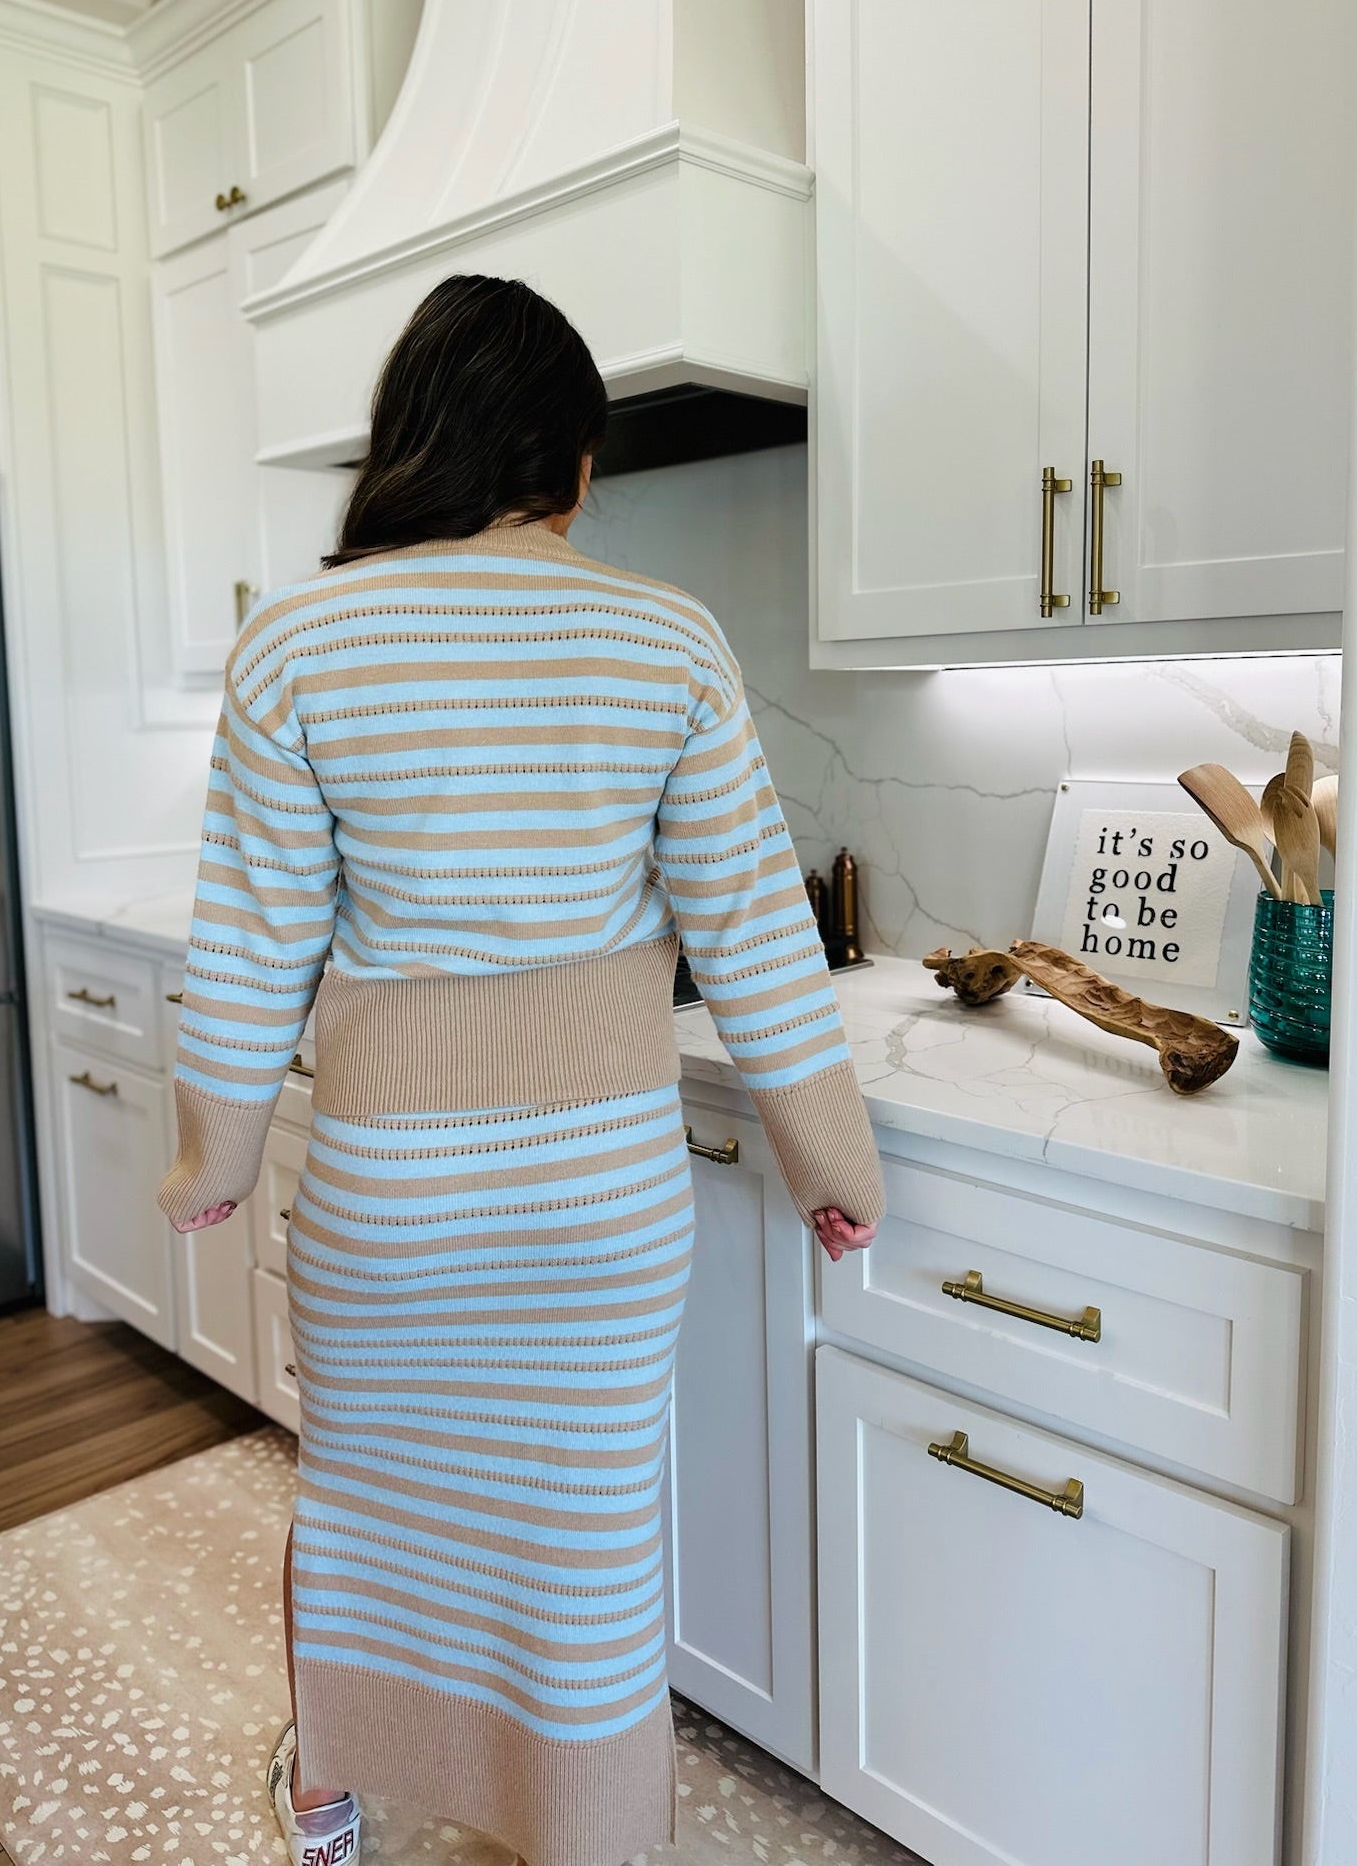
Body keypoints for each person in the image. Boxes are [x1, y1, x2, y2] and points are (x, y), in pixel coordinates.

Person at [156, 273, 884, 1866]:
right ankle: (587, 1837)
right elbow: (759, 937)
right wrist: (836, 1166)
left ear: (411, 438)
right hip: (598, 1205)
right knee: (584, 1548)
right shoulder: (666, 640)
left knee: (360, 1513)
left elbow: (248, 950)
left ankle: (330, 1802)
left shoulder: (296, 646)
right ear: (564, 458)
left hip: (389, 1204)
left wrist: (208, 1164)